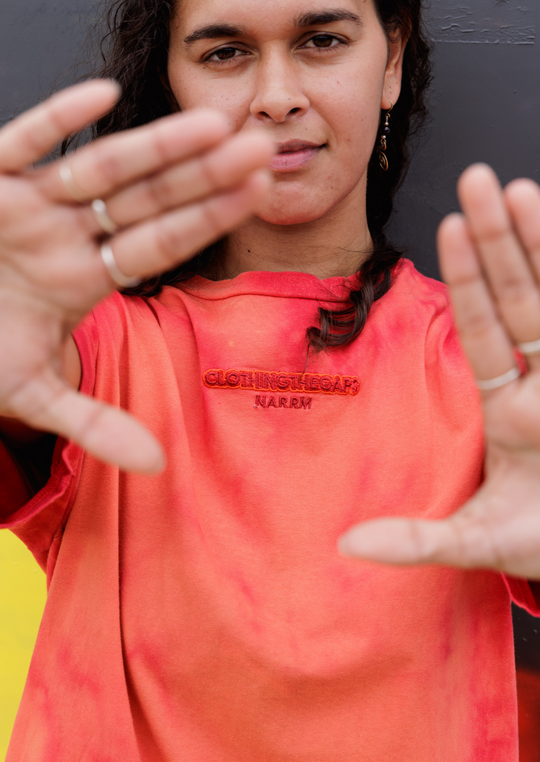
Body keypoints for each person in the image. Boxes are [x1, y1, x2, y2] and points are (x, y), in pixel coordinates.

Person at [1, 0, 540, 759]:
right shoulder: (92, 346)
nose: (277, 94)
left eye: (321, 41)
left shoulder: (495, 371)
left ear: (389, 62)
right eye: (224, 53)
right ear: (171, 82)